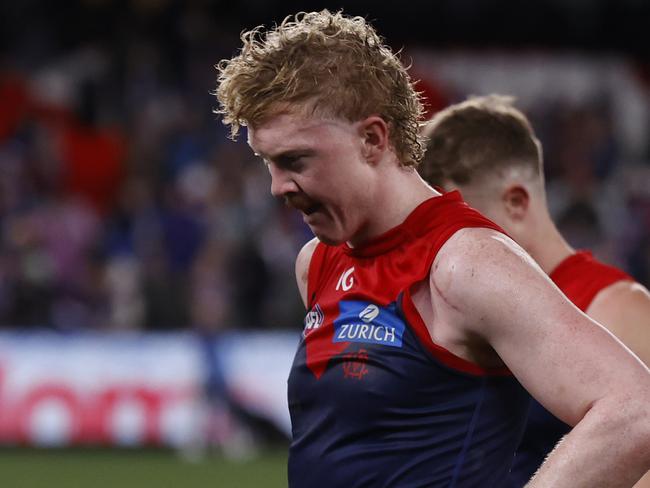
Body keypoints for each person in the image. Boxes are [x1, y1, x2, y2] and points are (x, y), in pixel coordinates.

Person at [214, 10, 650, 487]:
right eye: (267, 163)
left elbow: (634, 410)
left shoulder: (466, 264)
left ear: (373, 139)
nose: (277, 187)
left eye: (294, 160)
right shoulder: (317, 261)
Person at [420, 94, 650, 487]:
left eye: (457, 221)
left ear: (516, 202)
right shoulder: (456, 305)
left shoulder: (614, 307)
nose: (444, 243)